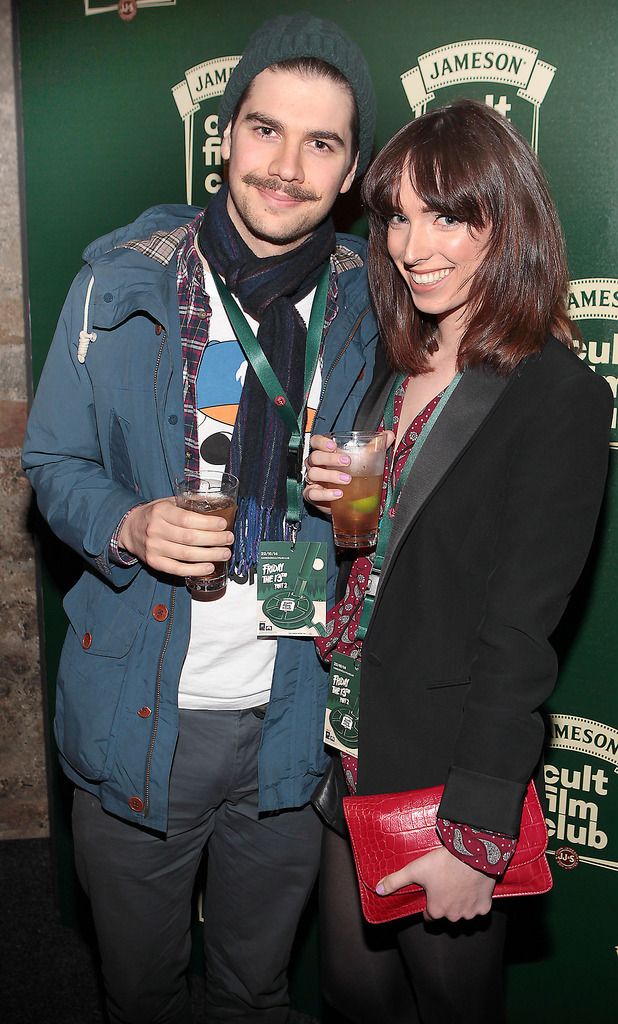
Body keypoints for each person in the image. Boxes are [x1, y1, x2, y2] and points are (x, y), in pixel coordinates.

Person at [22, 13, 378, 1024]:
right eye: (266, 130)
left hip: (288, 722)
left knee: (254, 989)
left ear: (351, 169)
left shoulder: (369, 299)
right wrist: (131, 525)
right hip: (144, 716)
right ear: (226, 136)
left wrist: (355, 501)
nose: (287, 166)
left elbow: (397, 486)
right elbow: (52, 462)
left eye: (322, 143)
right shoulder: (125, 276)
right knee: (140, 990)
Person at [305, 99, 612, 1024]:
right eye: (396, 214)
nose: (410, 243)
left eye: (446, 214)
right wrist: (344, 502)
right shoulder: (400, 360)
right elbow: (385, 548)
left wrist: (475, 836)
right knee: (353, 1001)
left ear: (504, 219)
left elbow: (519, 631)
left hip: (442, 778)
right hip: (352, 749)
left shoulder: (556, 394)